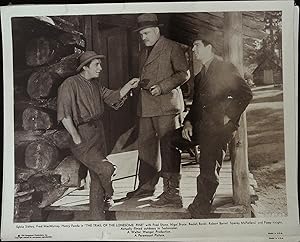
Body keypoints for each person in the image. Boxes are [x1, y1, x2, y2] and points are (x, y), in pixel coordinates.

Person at [154, 33, 253, 215]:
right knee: (168, 140)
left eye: (197, 45)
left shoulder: (225, 69)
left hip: (218, 129)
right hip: (201, 126)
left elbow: (245, 94)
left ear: (209, 48)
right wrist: (188, 123)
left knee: (208, 166)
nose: (193, 50)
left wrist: (228, 116)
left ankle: (202, 206)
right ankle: (172, 192)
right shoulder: (200, 76)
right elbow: (197, 106)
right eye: (193, 46)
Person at [57, 50, 139, 220]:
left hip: (98, 134)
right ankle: (110, 196)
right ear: (85, 67)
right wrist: (76, 137)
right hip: (82, 135)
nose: (100, 68)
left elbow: (112, 96)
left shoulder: (95, 85)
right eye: (96, 65)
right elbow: (64, 115)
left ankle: (97, 220)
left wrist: (128, 86)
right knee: (106, 168)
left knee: (96, 178)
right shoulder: (69, 84)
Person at [126, 13, 190, 209]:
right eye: (141, 34)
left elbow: (183, 74)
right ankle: (146, 186)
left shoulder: (172, 47)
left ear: (156, 31)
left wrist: (162, 86)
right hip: (146, 107)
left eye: (146, 33)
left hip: (166, 106)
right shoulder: (143, 51)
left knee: (168, 147)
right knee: (146, 146)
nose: (143, 37)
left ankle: (172, 192)